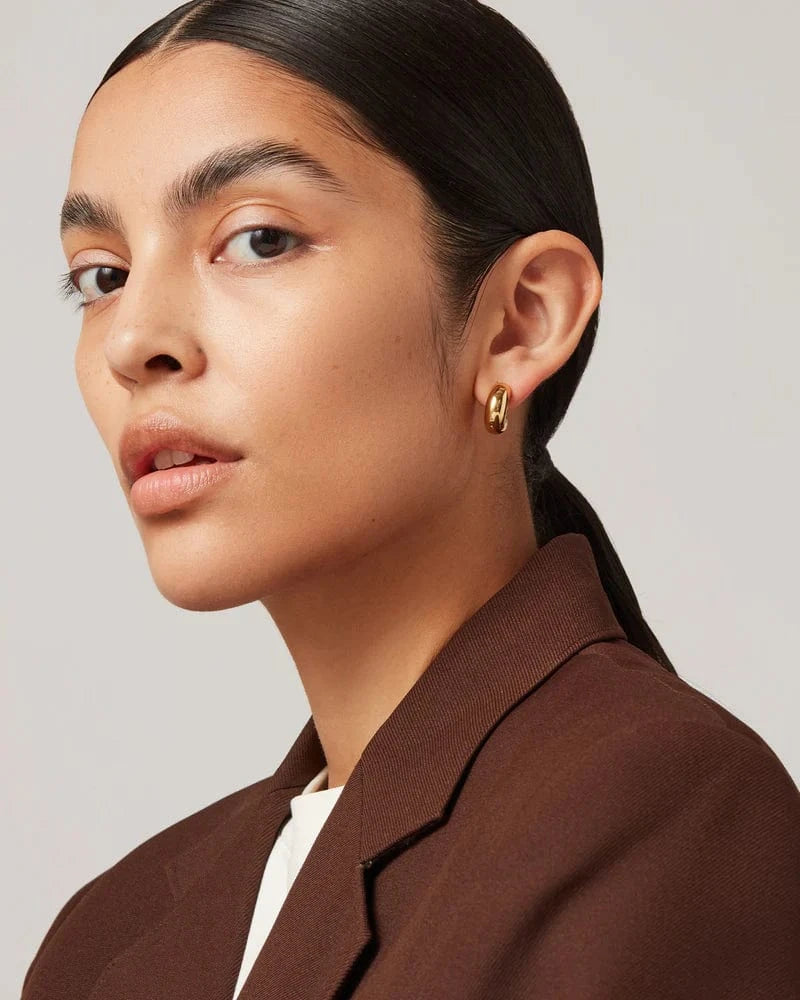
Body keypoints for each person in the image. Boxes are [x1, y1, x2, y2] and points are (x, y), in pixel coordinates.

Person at [23, 0, 800, 997]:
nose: (134, 341)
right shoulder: (109, 936)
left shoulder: (661, 816)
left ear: (520, 319)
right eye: (102, 275)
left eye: (257, 240)